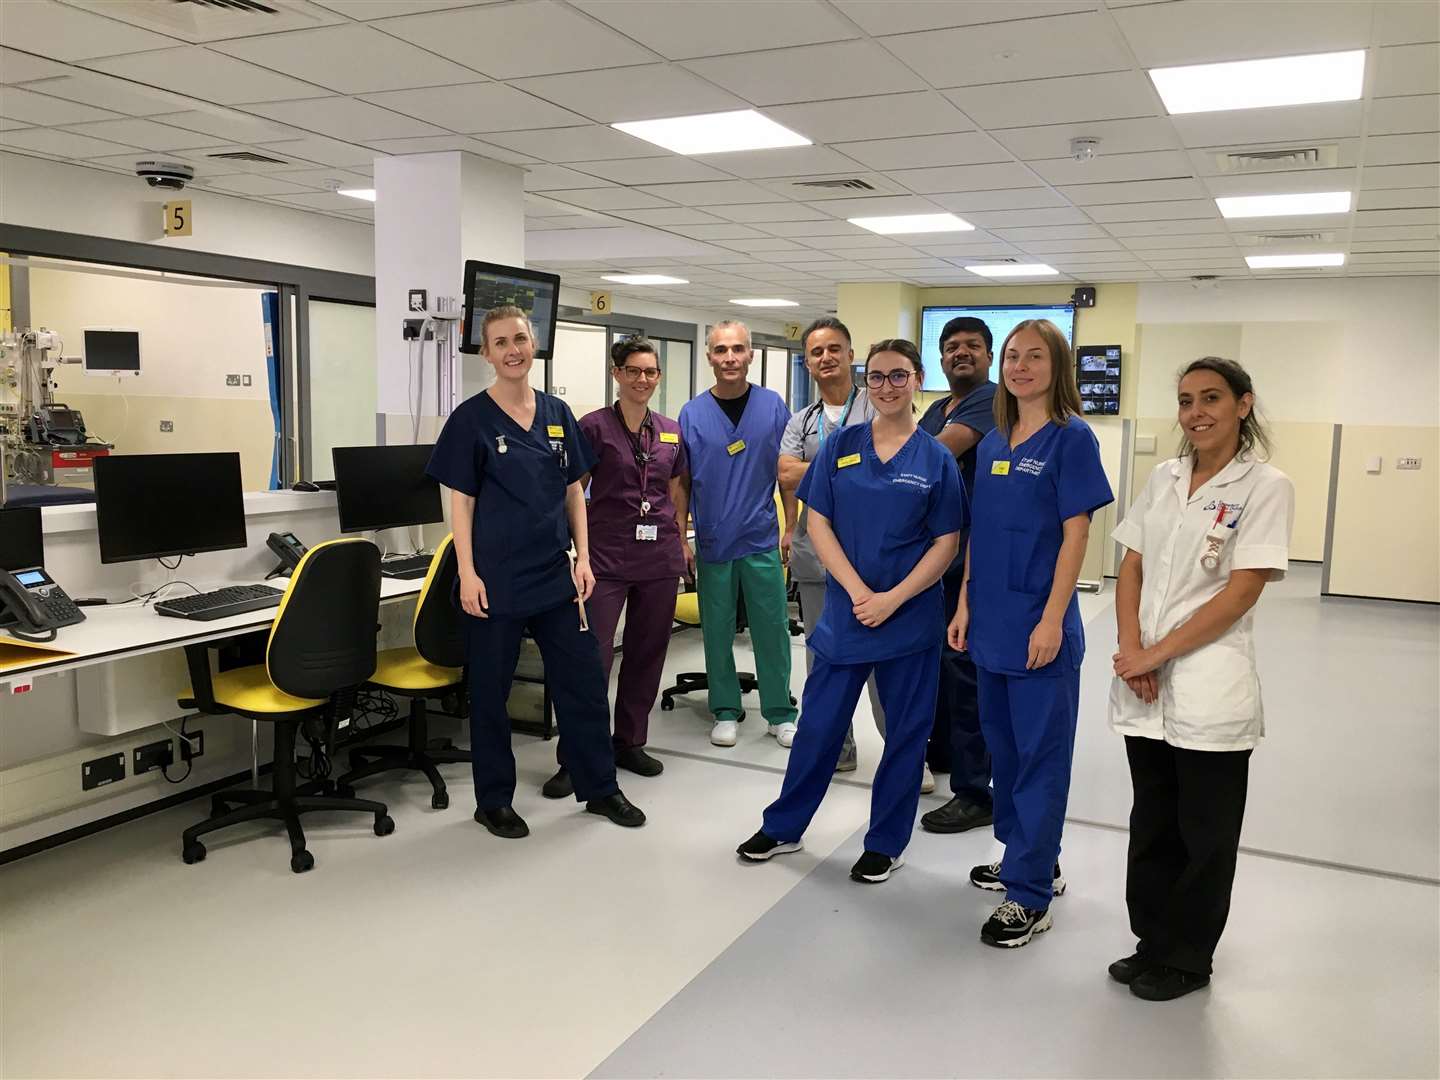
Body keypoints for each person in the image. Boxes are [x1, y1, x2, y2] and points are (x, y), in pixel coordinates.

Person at [738, 339, 964, 884]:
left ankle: (886, 842)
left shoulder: (935, 458)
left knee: (906, 736)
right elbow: (818, 522)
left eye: (899, 376)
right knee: (818, 726)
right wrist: (859, 590)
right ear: (869, 381)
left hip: (908, 620)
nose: (887, 386)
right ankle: (784, 826)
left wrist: (892, 598)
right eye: (878, 377)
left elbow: (947, 543)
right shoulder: (841, 446)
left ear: (917, 379)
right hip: (847, 614)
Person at [1107, 357, 1293, 1002]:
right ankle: (1151, 940)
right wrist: (1132, 649)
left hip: (1209, 679)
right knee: (1153, 820)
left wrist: (1155, 654)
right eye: (1186, 401)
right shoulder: (1163, 476)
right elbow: (1129, 564)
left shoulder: (1265, 485)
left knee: (1205, 832)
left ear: (1244, 404)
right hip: (1145, 678)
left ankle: (1188, 958)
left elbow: (1241, 593)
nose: (1197, 412)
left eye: (1212, 398)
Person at [426, 305, 646, 839]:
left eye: (520, 339)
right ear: (487, 354)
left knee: (584, 683)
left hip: (554, 578)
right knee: (491, 693)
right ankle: (493, 800)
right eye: (500, 342)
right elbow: (462, 504)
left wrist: (585, 558)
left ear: (534, 343)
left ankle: (600, 787)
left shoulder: (555, 413)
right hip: (495, 582)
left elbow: (575, 492)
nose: (513, 350)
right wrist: (469, 574)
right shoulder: (471, 420)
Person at [949, 319, 1112, 948]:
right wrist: (963, 605)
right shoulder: (992, 442)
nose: (1020, 366)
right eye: (1013, 356)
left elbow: (1077, 536)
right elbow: (980, 537)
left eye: (1034, 356)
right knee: (1004, 752)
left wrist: (1050, 619)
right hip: (989, 622)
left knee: (1041, 759)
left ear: (1057, 365)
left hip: (1038, 628)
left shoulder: (1072, 440)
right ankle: (1029, 855)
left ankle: (1030, 894)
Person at [778, 317, 926, 786]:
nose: (826, 358)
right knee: (824, 661)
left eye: (834, 349)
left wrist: (820, 469)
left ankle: (904, 757)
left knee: (886, 668)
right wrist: (844, 467)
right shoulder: (802, 419)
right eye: (817, 351)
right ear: (808, 361)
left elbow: (887, 467)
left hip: (875, 563)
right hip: (816, 559)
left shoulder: (878, 403)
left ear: (850, 355)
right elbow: (785, 474)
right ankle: (835, 749)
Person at [541, 337, 690, 798]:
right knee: (592, 659)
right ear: (617, 374)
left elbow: (675, 486)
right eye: (633, 371)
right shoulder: (593, 428)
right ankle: (578, 756)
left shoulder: (669, 430)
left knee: (647, 655)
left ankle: (628, 742)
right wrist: (572, 551)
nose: (642, 379)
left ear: (658, 377)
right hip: (604, 557)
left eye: (650, 372)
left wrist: (680, 538)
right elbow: (571, 491)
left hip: (659, 557)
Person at [677, 320, 797, 748]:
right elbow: (682, 483)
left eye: (738, 349)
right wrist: (679, 537)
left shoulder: (772, 407)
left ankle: (780, 711)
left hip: (762, 537)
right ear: (709, 356)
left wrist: (792, 526)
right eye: (721, 350)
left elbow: (786, 475)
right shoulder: (692, 413)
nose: (730, 357)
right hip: (712, 542)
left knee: (772, 629)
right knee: (716, 631)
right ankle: (725, 708)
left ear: (750, 355)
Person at [916, 316, 998, 834]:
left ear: (988, 356)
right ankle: (945, 756)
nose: (960, 353)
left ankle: (975, 790)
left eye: (971, 346)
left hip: (971, 560)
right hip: (935, 558)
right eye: (950, 347)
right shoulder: (935, 407)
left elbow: (934, 455)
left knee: (963, 669)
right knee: (941, 666)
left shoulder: (990, 400)